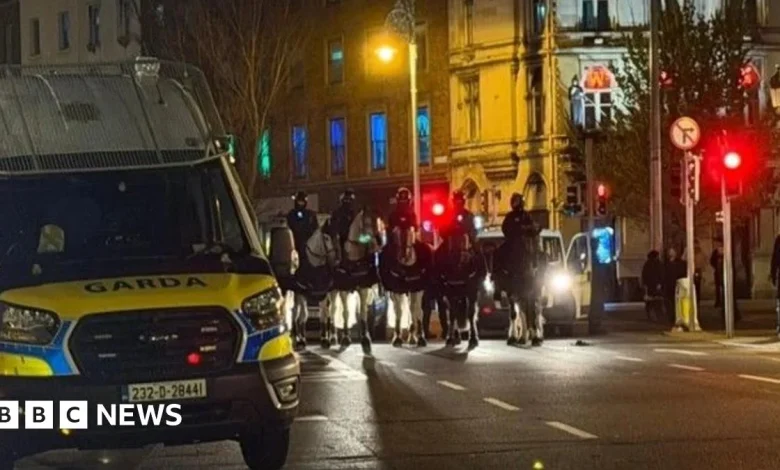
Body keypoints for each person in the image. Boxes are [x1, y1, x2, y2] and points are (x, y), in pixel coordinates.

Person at [286, 191, 319, 262]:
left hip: (310, 244)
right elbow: (291, 228)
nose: (301, 204)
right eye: (299, 202)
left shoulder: (310, 214)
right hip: (296, 243)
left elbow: (316, 229)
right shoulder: (291, 214)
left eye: (302, 202)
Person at [328, 189, 357, 257]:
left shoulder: (352, 213)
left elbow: (354, 223)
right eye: (346, 200)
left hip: (350, 235)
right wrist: (336, 233)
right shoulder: (337, 212)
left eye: (349, 200)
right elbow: (333, 224)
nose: (348, 201)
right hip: (340, 235)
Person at [664, 247, 686, 327]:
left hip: (677, 284)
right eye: (670, 252)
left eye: (672, 252)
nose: (671, 253)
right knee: (670, 302)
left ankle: (676, 316)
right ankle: (671, 316)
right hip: (669, 285)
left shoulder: (679, 263)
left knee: (676, 302)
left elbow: (681, 273)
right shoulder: (666, 264)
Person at [641, 250, 664, 321]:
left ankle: (650, 315)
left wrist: (644, 284)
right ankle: (658, 315)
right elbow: (661, 274)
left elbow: (644, 275)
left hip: (649, 285)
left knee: (650, 301)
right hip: (656, 285)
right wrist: (660, 283)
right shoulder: (658, 263)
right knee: (657, 300)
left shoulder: (647, 264)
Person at [711, 239, 724, 308]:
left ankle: (723, 301)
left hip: (724, 271)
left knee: (724, 287)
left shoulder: (725, 250)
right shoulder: (715, 252)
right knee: (718, 288)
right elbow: (712, 260)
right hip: (717, 271)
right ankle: (718, 301)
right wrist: (715, 266)